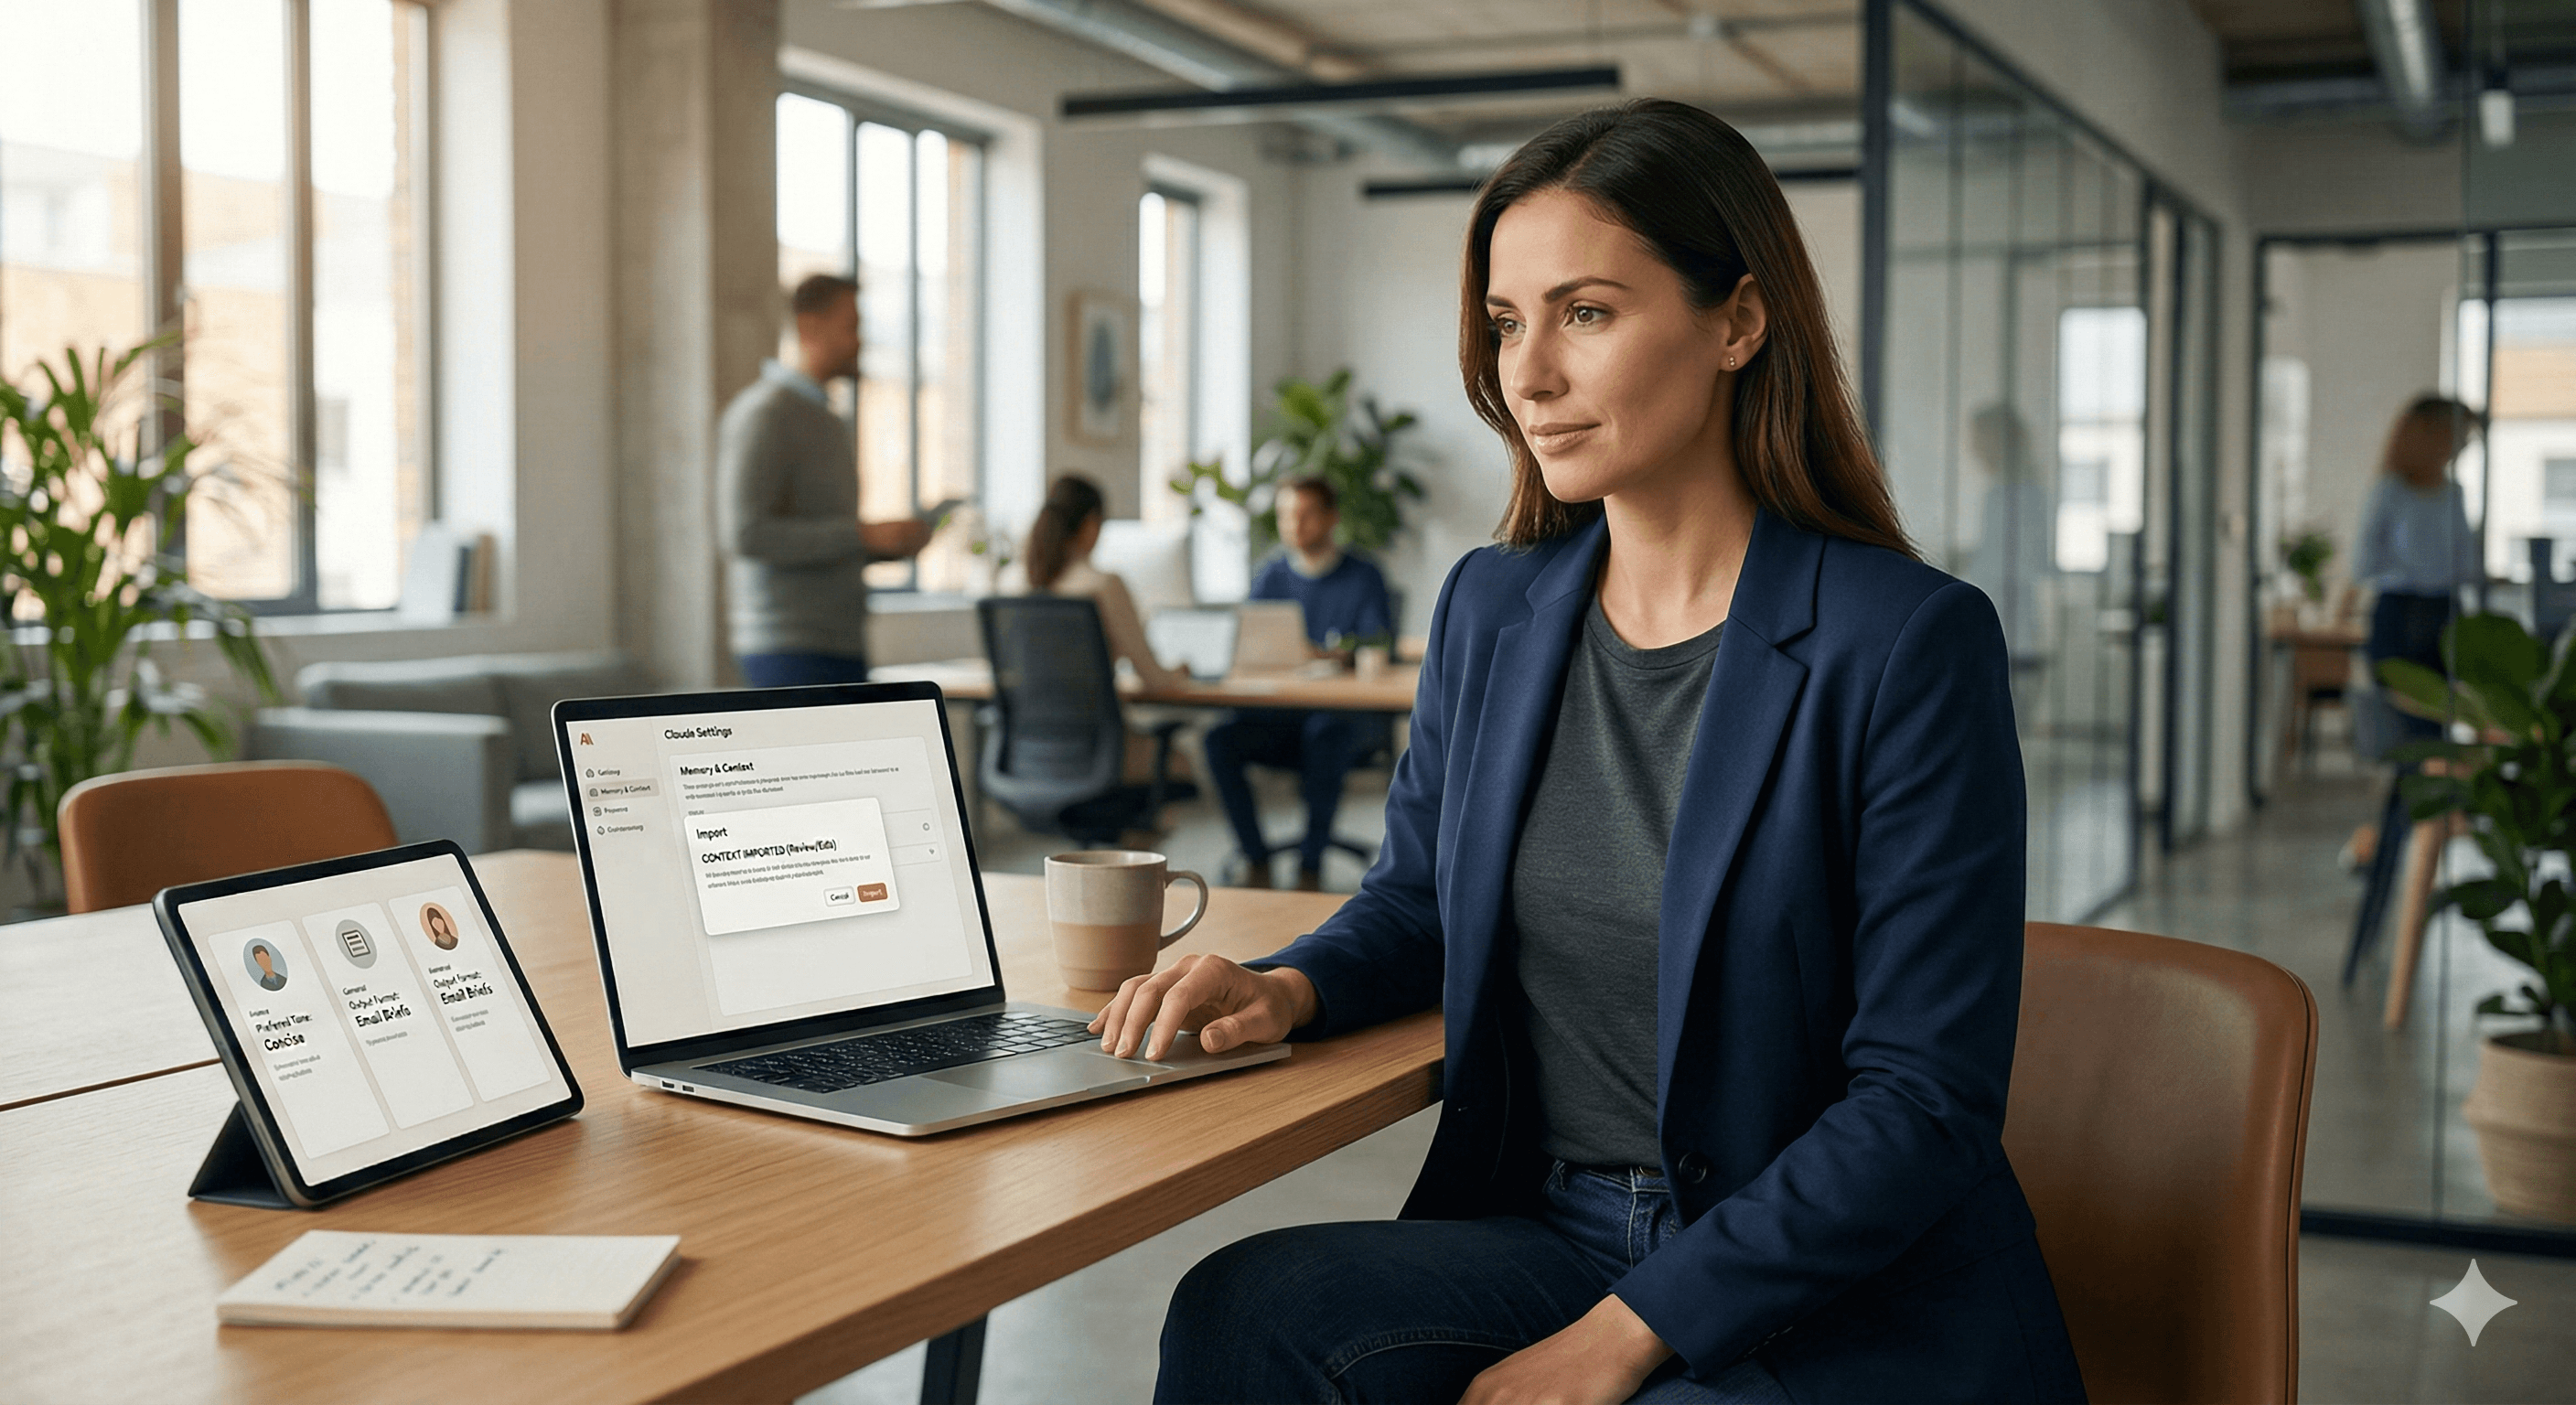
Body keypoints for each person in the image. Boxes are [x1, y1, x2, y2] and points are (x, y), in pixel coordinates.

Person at [1093, 100, 2082, 1404]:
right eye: (1508, 323)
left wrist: (1624, 1334)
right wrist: (1289, 989)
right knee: (1246, 1313)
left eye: (1588, 314)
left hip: (1828, 1287)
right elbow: (1417, 903)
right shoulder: (1492, 609)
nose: (1530, 375)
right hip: (1555, 1226)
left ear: (1738, 321)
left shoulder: (1906, 643)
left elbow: (1924, 1105)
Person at [719, 273, 934, 688]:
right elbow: (745, 534)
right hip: (788, 648)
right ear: (808, 328)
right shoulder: (765, 414)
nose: (859, 341)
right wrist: (862, 536)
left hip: (840, 643)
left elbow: (829, 543)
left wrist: (887, 543)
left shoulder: (829, 422)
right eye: (851, 326)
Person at [1202, 476, 1395, 890]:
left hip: (1341, 719)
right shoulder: (1270, 574)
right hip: (1280, 716)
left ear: (1331, 518)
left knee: (1325, 733)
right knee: (1219, 741)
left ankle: (1310, 863)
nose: (1295, 525)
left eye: (1306, 514)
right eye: (1287, 515)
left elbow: (1376, 643)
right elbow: (1247, 641)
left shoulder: (1363, 576)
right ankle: (1256, 860)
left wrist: (1326, 654)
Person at [1001, 474, 1191, 694]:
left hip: (1026, 728)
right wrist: (1182, 672)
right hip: (1098, 729)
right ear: (1091, 526)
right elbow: (1154, 679)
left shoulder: (1013, 585)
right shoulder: (1105, 586)